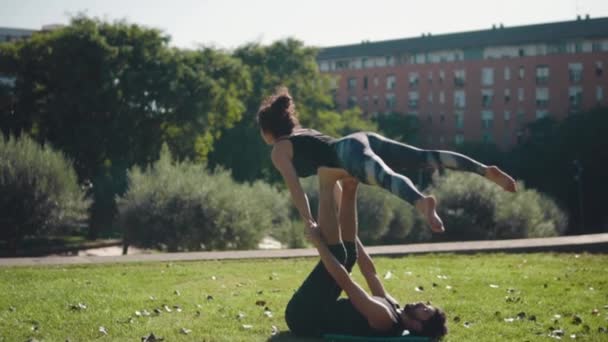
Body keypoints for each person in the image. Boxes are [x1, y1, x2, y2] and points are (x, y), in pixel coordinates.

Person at [257, 87, 517, 245]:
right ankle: (483, 169)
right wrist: (335, 213)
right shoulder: (305, 133)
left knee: (387, 177)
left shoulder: (279, 150)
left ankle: (421, 203)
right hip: (359, 139)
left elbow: (295, 189)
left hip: (347, 155)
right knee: (424, 157)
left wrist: (309, 222)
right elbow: (330, 179)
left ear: (267, 130)